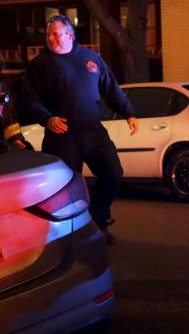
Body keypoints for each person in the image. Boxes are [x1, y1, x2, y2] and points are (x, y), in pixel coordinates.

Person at [20, 14, 138, 245]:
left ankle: (98, 220)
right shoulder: (40, 65)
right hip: (62, 137)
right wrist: (48, 119)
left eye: (56, 33)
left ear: (70, 35)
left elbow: (110, 88)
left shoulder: (90, 58)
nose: (51, 38)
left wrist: (129, 112)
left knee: (113, 173)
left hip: (93, 132)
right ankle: (70, 236)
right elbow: (29, 101)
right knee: (67, 189)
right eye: (48, 34)